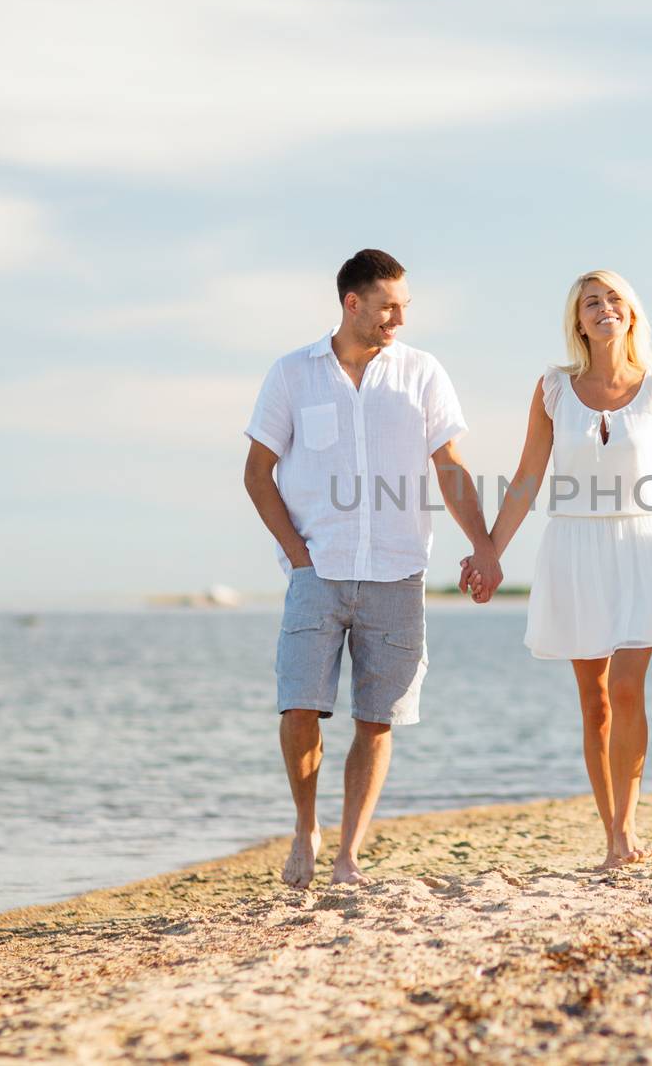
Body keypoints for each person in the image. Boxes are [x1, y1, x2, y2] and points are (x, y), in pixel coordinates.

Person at [243, 249, 502, 889]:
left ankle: (348, 854)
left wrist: (486, 546)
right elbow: (257, 474)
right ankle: (305, 828)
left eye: (404, 307)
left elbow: (450, 465)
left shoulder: (422, 373)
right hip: (317, 573)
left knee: (376, 719)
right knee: (299, 706)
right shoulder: (292, 374)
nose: (399, 319)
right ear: (351, 303)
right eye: (388, 306)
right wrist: (299, 558)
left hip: (397, 571)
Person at [467, 269, 652, 869]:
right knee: (595, 701)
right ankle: (613, 832)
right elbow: (526, 479)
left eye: (614, 299)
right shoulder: (553, 388)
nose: (604, 308)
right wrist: (491, 551)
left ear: (631, 314)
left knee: (628, 689)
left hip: (642, 545)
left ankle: (626, 827)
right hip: (574, 548)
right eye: (591, 302)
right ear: (578, 320)